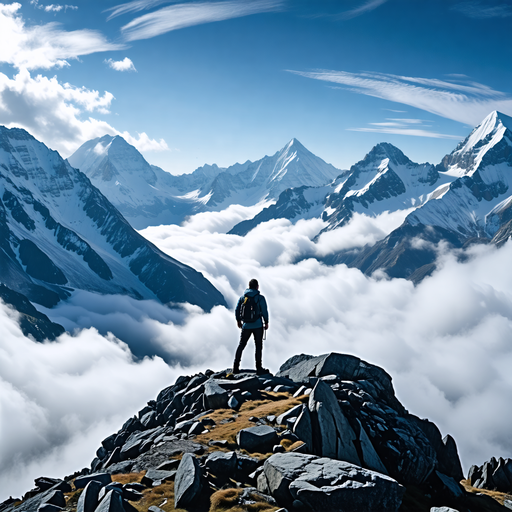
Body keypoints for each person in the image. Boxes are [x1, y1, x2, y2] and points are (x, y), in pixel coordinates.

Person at [233, 278, 269, 375]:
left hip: (246, 325)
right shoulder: (260, 298)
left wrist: (238, 321)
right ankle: (258, 368)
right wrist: (266, 322)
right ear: (257, 287)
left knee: (241, 345)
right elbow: (264, 311)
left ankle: (235, 367)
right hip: (258, 325)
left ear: (249, 286)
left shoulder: (243, 298)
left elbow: (237, 310)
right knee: (258, 346)